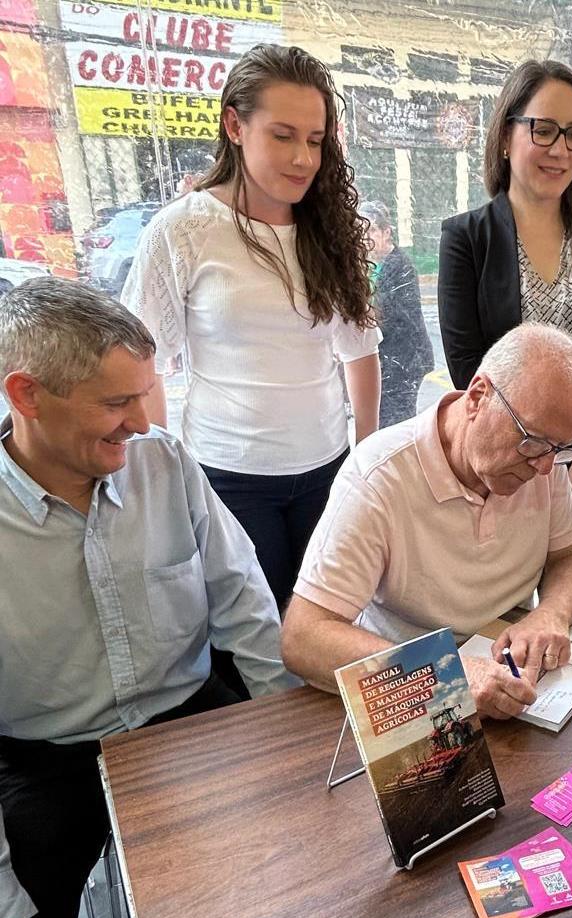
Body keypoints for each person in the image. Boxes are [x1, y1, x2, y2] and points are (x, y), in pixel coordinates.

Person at [0, 279, 298, 918]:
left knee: (292, 895)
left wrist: (286, 744)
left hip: (186, 720)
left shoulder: (164, 463)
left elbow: (246, 609)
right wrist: (4, 912)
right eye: (114, 405)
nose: (141, 421)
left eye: (146, 394)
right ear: (26, 396)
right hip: (44, 755)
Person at [122, 44, 381, 611]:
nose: (303, 159)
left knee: (326, 620)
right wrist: (162, 470)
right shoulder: (184, 230)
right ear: (235, 126)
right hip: (229, 477)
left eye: (315, 141)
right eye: (283, 136)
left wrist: (365, 457)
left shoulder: (328, 232)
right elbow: (143, 365)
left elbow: (359, 351)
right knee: (256, 637)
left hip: (327, 467)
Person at [281, 323, 572, 720]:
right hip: (406, 690)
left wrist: (550, 612)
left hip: (508, 681)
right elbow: (303, 638)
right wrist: (442, 674)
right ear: (478, 397)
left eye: (561, 448)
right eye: (532, 441)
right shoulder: (380, 476)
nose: (545, 466)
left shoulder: (542, 462)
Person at [438, 59, 572, 558]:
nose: (560, 150)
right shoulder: (466, 239)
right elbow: (470, 371)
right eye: (543, 130)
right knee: (502, 624)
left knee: (571, 619)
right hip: (505, 468)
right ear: (507, 136)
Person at [358, 200, 434, 427]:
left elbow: (379, 318)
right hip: (391, 362)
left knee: (393, 426)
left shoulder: (398, 267)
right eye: (359, 232)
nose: (364, 238)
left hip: (403, 364)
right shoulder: (374, 265)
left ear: (386, 232)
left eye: (370, 230)